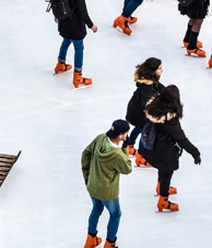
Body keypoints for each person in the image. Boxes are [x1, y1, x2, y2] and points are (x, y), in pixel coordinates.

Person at [140, 85, 200, 212]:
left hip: (154, 146)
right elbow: (181, 139)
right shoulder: (169, 119)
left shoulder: (154, 107)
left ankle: (161, 187)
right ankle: (163, 200)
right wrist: (195, 153)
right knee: (166, 173)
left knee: (162, 170)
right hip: (165, 151)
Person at [81, 119, 132, 248]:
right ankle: (110, 244)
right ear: (120, 136)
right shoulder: (117, 155)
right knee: (116, 214)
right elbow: (127, 169)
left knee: (96, 209)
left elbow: (85, 154)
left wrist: (87, 177)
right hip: (108, 192)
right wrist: (125, 149)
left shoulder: (100, 138)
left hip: (93, 186)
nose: (126, 135)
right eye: (126, 133)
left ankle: (90, 240)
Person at [53, 0, 97, 88]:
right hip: (75, 25)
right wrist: (91, 25)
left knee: (66, 41)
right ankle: (78, 76)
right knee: (79, 48)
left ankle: (60, 64)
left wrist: (56, 15)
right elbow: (83, 10)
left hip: (63, 22)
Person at [125, 57, 165, 165]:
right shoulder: (147, 85)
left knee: (139, 128)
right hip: (139, 113)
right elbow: (146, 103)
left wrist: (167, 92)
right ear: (153, 71)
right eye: (160, 68)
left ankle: (129, 145)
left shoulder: (150, 78)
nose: (162, 70)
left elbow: (158, 86)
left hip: (135, 110)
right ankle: (141, 156)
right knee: (145, 131)